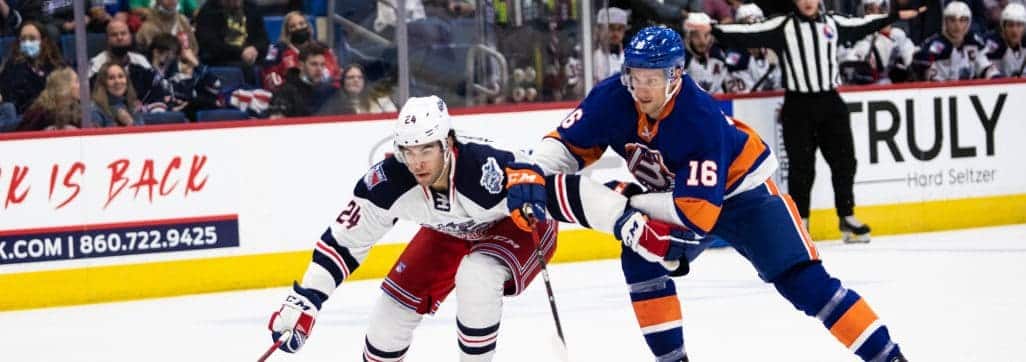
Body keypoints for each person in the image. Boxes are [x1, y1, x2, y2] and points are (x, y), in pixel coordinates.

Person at [531, 26, 909, 362]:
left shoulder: (698, 117)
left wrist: (625, 205)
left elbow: (697, 214)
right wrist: (531, 178)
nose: (641, 88)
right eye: (635, 76)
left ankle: (888, 357)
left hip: (745, 196)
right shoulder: (612, 97)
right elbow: (564, 145)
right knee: (640, 253)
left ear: (675, 76)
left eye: (652, 78)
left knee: (806, 285)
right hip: (681, 196)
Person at [265, 95, 559, 361]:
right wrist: (306, 299)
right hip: (450, 230)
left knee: (477, 276)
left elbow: (554, 184)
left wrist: (539, 190)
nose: (417, 162)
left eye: (426, 149)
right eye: (409, 151)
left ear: (448, 143)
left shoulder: (486, 166)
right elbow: (343, 244)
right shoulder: (390, 182)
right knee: (386, 324)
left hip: (513, 225)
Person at [690, 0, 925, 243]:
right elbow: (747, 33)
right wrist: (713, 28)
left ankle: (847, 215)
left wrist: (895, 15)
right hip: (798, 105)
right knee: (801, 167)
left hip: (830, 102)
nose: (807, 2)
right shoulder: (783, 26)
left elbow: (864, 23)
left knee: (845, 161)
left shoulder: (833, 22)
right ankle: (801, 221)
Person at [912, 1, 999, 81]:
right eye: (952, 20)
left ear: (969, 22)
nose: (957, 26)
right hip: (939, 92)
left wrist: (998, 79)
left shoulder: (974, 42)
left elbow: (986, 68)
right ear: (945, 21)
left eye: (962, 20)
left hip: (967, 91)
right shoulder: (934, 45)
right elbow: (920, 68)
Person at [839, 0, 917, 84]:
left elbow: (912, 60)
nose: (879, 13)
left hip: (890, 87)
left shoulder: (897, 35)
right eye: (870, 10)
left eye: (883, 10)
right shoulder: (856, 39)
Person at [194, 0, 269, 85]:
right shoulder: (208, 11)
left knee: (272, 64)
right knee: (246, 69)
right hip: (221, 60)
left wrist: (255, 48)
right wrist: (240, 53)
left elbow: (263, 39)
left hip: (250, 56)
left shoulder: (251, 8)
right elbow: (211, 46)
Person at [262, 11, 341, 91]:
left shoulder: (322, 48)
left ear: (308, 25)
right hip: (291, 94)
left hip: (322, 92)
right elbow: (269, 76)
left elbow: (335, 72)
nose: (298, 28)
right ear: (287, 31)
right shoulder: (277, 49)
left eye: (301, 24)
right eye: (293, 26)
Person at [0, 21, 64, 114]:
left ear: (44, 41)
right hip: (21, 118)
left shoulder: (57, 66)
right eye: (23, 39)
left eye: (32, 39)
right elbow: (6, 96)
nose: (27, 43)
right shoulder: (11, 66)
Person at [721, 3, 782, 93]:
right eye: (748, 25)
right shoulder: (733, 56)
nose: (753, 30)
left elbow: (779, 87)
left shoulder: (771, 52)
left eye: (757, 24)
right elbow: (741, 95)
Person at [267, 43, 336, 118]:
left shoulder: (328, 91)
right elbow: (276, 123)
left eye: (322, 65)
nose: (319, 69)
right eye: (314, 64)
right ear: (301, 65)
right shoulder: (285, 92)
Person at [16, 67, 83, 131]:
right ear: (64, 86)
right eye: (77, 81)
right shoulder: (39, 113)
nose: (81, 85)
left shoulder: (77, 111)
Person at [682, 13, 729, 93]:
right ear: (688, 37)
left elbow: (725, 86)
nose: (702, 42)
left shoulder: (718, 55)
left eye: (706, 35)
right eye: (696, 36)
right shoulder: (681, 60)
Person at [135, 0, 199, 55]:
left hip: (190, 65)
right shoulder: (148, 28)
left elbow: (194, 49)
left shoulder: (182, 19)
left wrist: (190, 65)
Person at [91, 62, 143, 127]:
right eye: (111, 78)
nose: (117, 81)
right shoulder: (95, 110)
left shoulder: (133, 106)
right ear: (103, 83)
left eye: (121, 76)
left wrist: (129, 122)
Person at [985, 2, 1026, 77]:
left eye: (1019, 25)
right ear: (1003, 27)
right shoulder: (991, 45)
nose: (1014, 30)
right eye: (1010, 25)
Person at [593, 7, 629, 84]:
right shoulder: (592, 58)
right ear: (599, 30)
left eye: (619, 29)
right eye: (611, 28)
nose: (615, 33)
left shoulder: (630, 58)